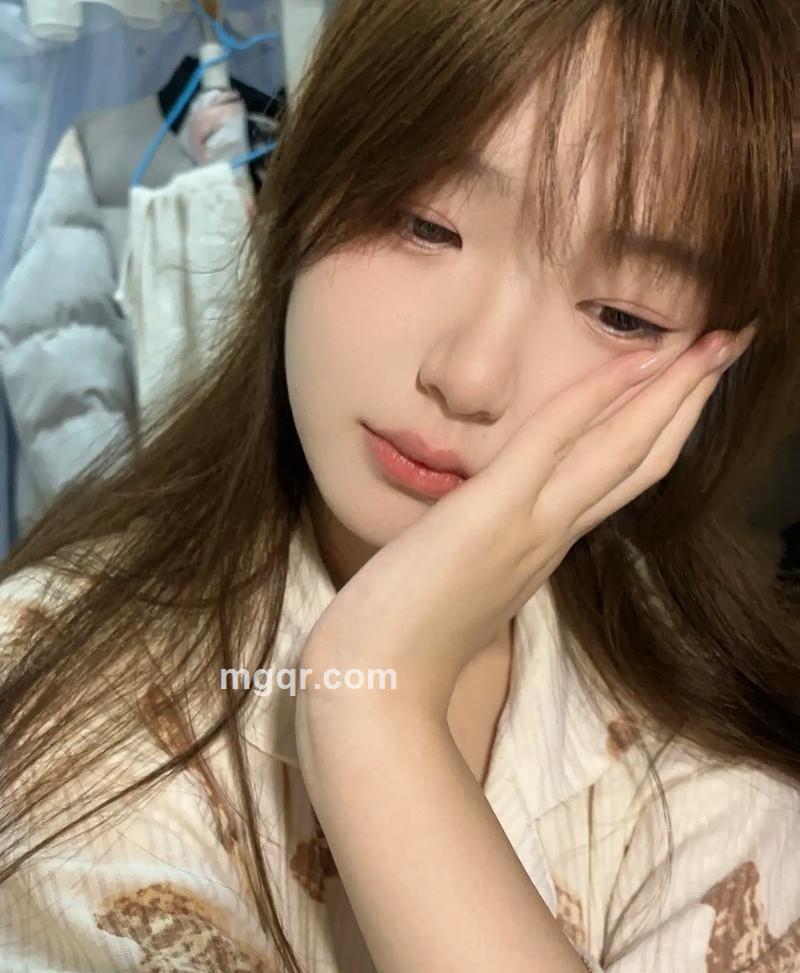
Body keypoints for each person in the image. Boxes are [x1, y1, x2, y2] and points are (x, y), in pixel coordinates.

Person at [0, 1, 798, 971]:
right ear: (302, 184)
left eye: (621, 314)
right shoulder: (51, 695)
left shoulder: (719, 793)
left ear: (713, 365)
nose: (469, 376)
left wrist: (372, 709)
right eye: (424, 223)